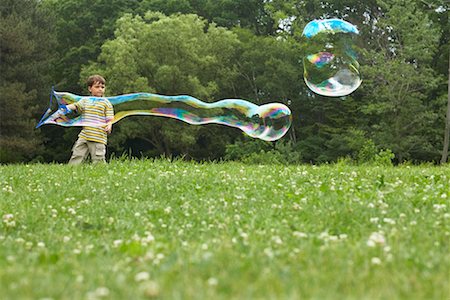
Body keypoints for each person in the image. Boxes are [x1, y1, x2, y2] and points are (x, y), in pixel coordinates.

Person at [66, 75, 114, 164]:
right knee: (77, 155)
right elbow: (76, 106)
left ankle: (101, 173)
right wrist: (67, 108)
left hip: (98, 136)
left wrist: (109, 125)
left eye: (102, 87)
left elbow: (110, 118)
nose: (100, 89)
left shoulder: (106, 103)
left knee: (98, 158)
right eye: (97, 87)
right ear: (90, 88)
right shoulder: (85, 100)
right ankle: (72, 171)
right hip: (84, 135)